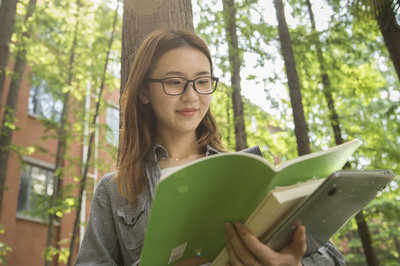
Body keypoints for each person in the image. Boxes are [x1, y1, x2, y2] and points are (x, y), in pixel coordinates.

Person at [74, 29, 345, 266]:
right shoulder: (115, 189)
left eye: (202, 81)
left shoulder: (247, 172)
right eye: (175, 82)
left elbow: (333, 258)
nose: (191, 96)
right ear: (144, 92)